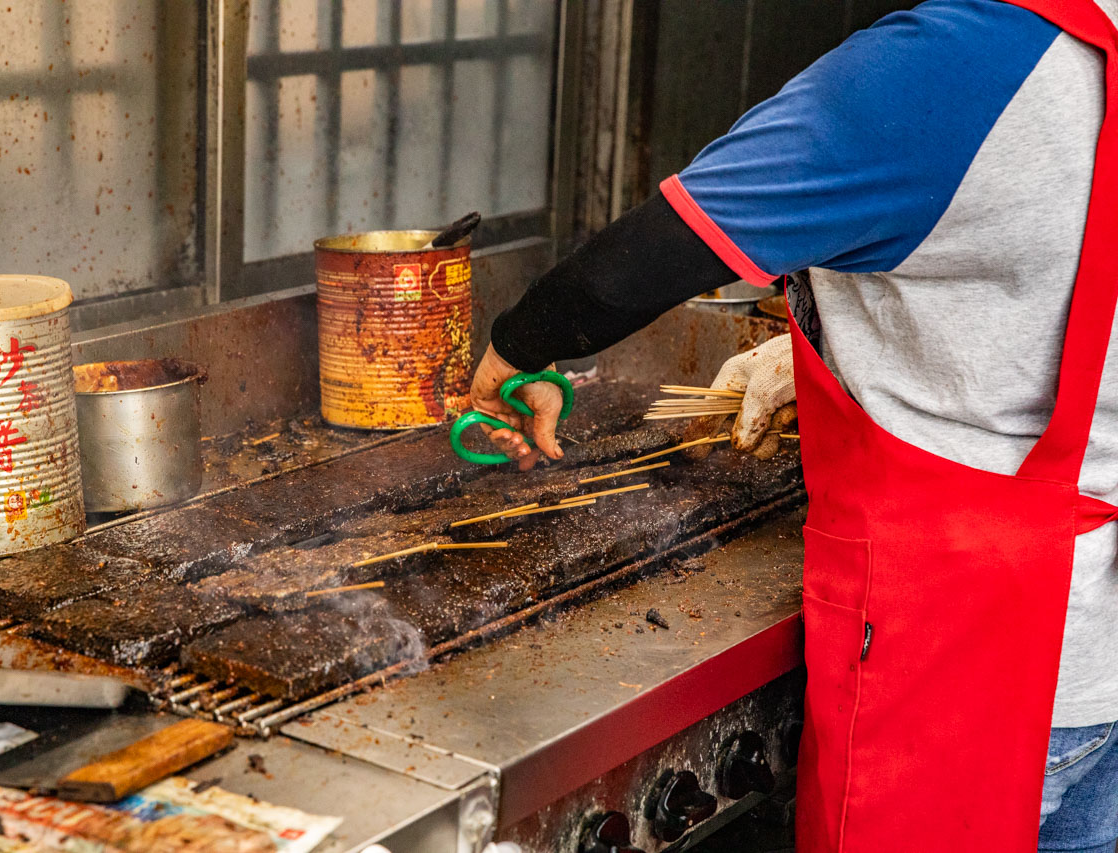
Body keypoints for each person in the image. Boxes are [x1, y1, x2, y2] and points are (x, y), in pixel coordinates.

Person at [469, 1, 1118, 850]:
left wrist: (519, 352)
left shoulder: (953, 65)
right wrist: (813, 343)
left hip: (962, 668)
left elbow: (665, 249)